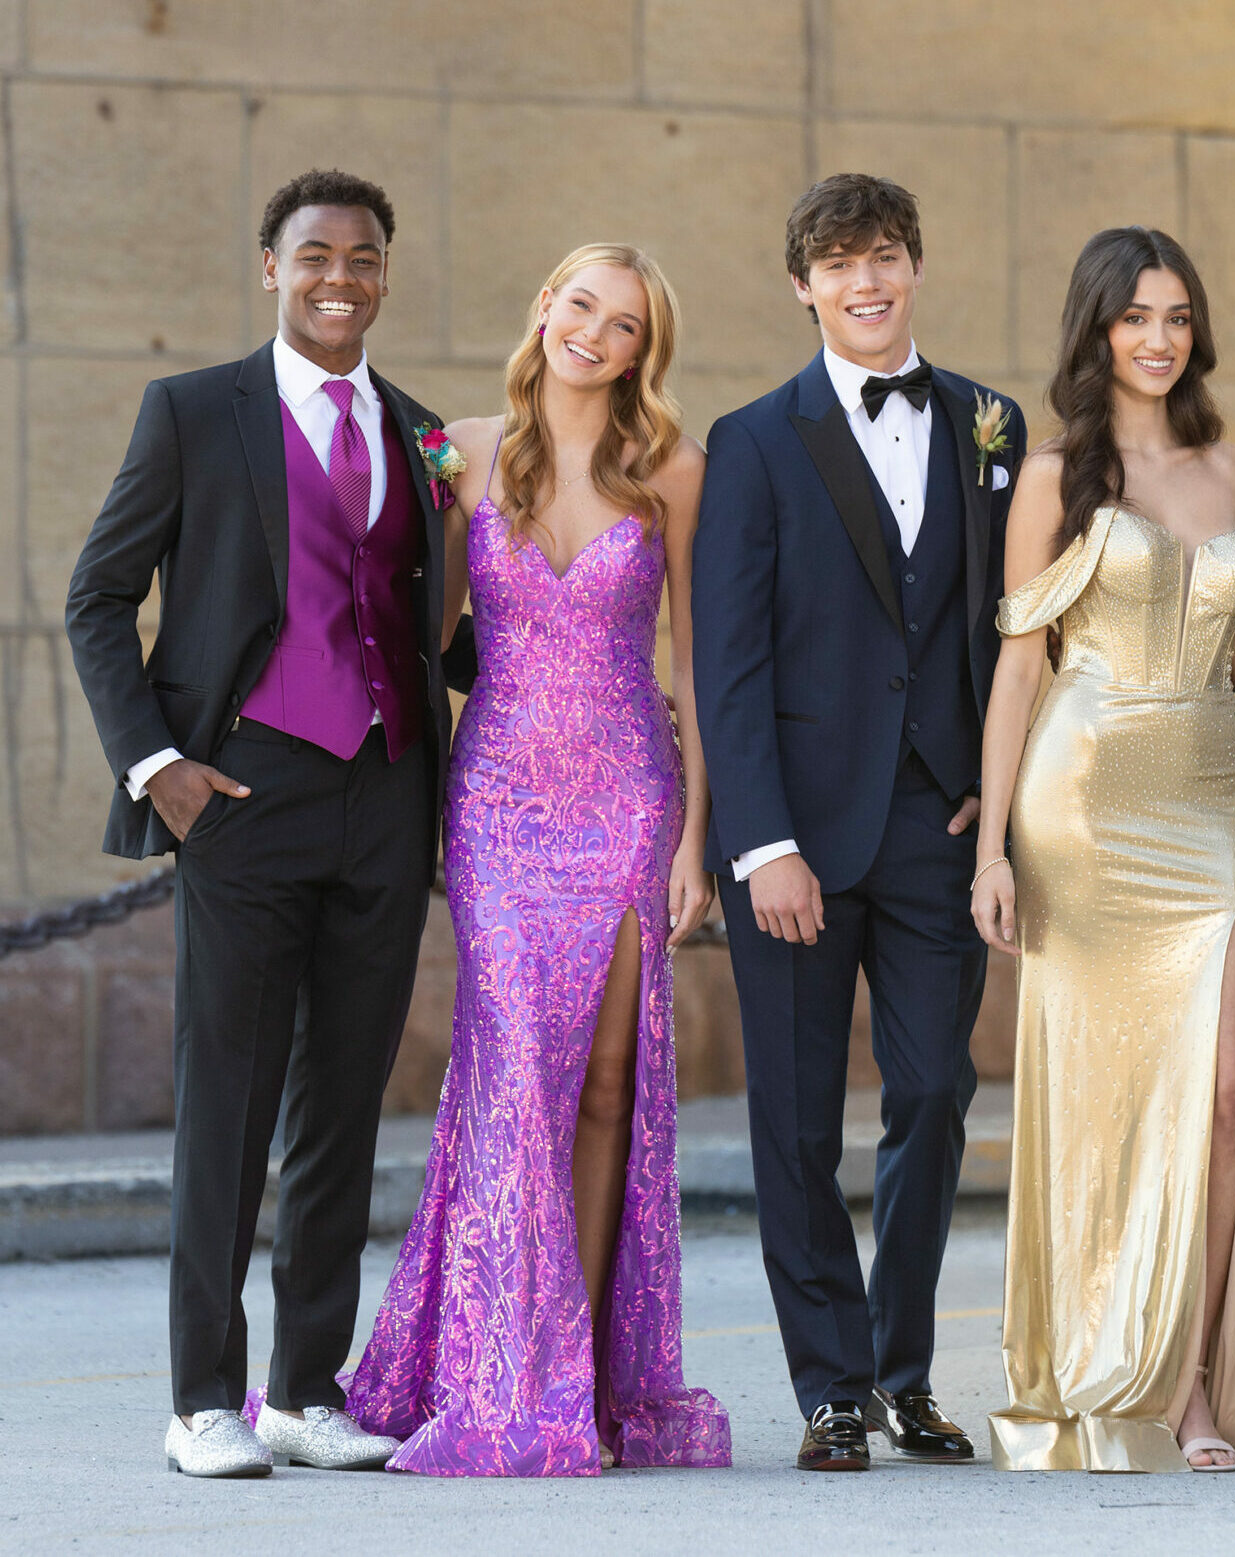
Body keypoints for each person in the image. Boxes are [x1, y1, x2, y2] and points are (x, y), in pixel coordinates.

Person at [66, 168, 463, 1478]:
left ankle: (305, 1387)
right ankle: (202, 1400)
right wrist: (156, 764)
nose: (338, 276)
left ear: (386, 274)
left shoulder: (421, 435)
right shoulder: (193, 413)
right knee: (226, 1104)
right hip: (239, 799)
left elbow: (433, 629)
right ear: (270, 267)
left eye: (361, 257)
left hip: (384, 798)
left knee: (345, 1100)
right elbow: (97, 597)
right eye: (313, 255)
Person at [333, 244, 731, 1476]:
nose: (594, 335)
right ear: (542, 307)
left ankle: (588, 1383)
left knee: (606, 1089)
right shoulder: (456, 454)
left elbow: (697, 669)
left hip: (624, 798)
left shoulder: (672, 470)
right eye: (579, 306)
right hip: (499, 801)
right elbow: (416, 631)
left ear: (641, 350)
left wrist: (697, 842)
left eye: (623, 324)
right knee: (514, 1088)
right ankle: (508, 1380)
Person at [693, 174, 1028, 1472]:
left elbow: (1015, 629)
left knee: (937, 1091)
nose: (864, 281)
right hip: (796, 835)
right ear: (803, 287)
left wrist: (996, 807)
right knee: (794, 1118)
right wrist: (759, 841)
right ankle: (830, 1388)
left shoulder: (991, 423)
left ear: (916, 265)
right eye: (837, 264)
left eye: (882, 255)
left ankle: (903, 1369)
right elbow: (727, 661)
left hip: (938, 822)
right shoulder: (754, 440)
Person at [971, 228, 1235, 1474]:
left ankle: (1198, 1381)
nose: (1158, 339)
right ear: (1096, 331)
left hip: (1212, 805)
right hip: (1086, 801)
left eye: (1176, 317)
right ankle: (1126, 1369)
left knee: (1226, 1091)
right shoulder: (1057, 477)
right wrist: (993, 854)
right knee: (1106, 1103)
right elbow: (1018, 669)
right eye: (1134, 319)